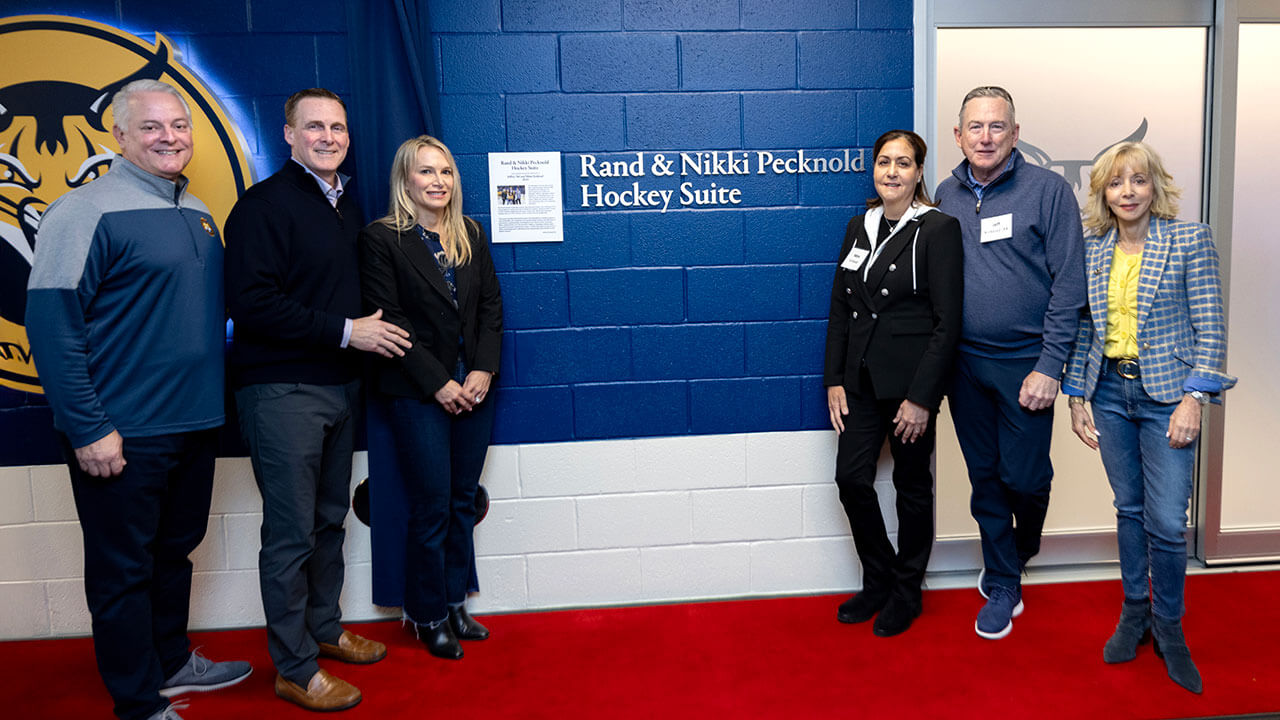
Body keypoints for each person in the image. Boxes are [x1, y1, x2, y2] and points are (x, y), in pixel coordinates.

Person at [26, 79, 251, 720]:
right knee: (123, 571)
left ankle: (173, 660)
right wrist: (87, 427)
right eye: (151, 127)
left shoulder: (199, 210)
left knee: (174, 551)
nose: (170, 137)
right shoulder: (83, 212)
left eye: (179, 125)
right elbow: (52, 325)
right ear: (119, 136)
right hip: (121, 432)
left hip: (196, 422)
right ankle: (137, 700)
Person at [223, 88, 410, 712]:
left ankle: (324, 631)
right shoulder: (262, 207)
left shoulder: (345, 207)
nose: (328, 136)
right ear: (289, 135)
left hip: (339, 388)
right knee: (291, 533)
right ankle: (294, 667)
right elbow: (250, 304)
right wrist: (348, 331)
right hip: (282, 390)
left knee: (329, 522)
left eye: (338, 127)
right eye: (315, 127)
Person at [1064, 142, 1234, 694]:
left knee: (1165, 520)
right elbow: (1085, 327)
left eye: (1138, 180)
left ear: (1154, 185)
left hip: (1168, 397)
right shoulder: (1092, 248)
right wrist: (1076, 395)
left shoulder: (1188, 239)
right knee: (1130, 509)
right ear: (1103, 193)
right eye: (1116, 183)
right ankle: (1134, 612)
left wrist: (1194, 399)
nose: (1128, 192)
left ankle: (1169, 627)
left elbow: (1211, 329)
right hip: (1110, 391)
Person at [935, 86, 1086, 640]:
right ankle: (1003, 580)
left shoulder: (1048, 192)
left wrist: (1052, 366)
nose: (985, 136)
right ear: (959, 136)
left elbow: (1071, 284)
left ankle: (1021, 549)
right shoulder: (945, 195)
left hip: (1028, 364)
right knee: (985, 477)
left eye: (997, 126)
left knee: (1024, 475)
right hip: (965, 366)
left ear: (1016, 133)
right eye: (975, 127)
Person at [359, 135, 503, 659]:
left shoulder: (469, 233)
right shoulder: (382, 239)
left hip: (474, 389)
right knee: (432, 506)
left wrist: (483, 369)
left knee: (462, 501)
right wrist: (437, 383)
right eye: (426, 172)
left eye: (445, 171)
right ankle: (425, 613)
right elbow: (390, 321)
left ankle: (455, 601)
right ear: (406, 180)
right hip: (420, 393)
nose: (438, 181)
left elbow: (490, 307)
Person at [824, 130, 963, 637]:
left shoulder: (937, 228)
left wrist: (922, 398)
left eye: (903, 163)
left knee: (911, 489)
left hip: (910, 389)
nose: (892, 172)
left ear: (919, 172)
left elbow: (948, 322)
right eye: (884, 162)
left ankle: (908, 591)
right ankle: (879, 578)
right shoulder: (858, 226)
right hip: (859, 380)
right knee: (852, 480)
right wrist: (834, 380)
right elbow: (841, 308)